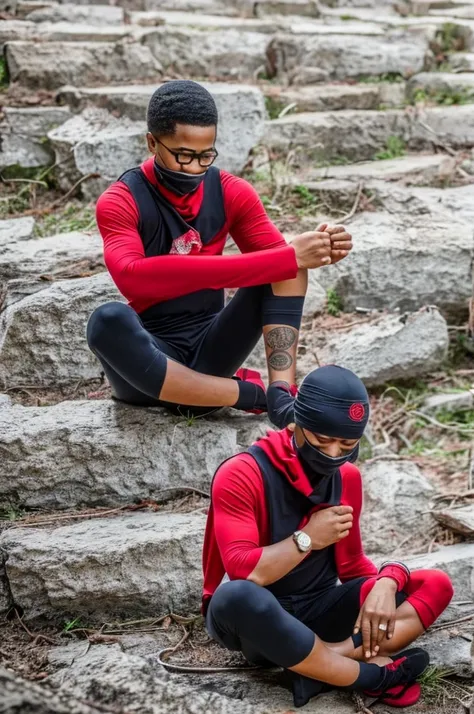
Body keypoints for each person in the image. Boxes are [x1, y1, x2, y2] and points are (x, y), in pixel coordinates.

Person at [86, 80, 353, 424]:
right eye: (183, 156)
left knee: (289, 267)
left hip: (211, 350)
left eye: (205, 155)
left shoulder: (232, 192)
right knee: (106, 321)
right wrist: (281, 257)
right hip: (149, 368)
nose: (195, 168)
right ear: (152, 142)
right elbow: (133, 278)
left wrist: (319, 247)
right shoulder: (121, 200)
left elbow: (287, 270)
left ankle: (281, 394)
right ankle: (250, 395)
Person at [202, 365, 454, 708]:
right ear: (296, 423)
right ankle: (370, 676)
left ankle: (324, 664)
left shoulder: (347, 477)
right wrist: (307, 538)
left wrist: (388, 580)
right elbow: (247, 572)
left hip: (321, 609)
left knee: (436, 583)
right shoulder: (242, 473)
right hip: (261, 623)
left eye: (347, 444)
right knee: (236, 596)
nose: (334, 454)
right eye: (322, 441)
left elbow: (352, 566)